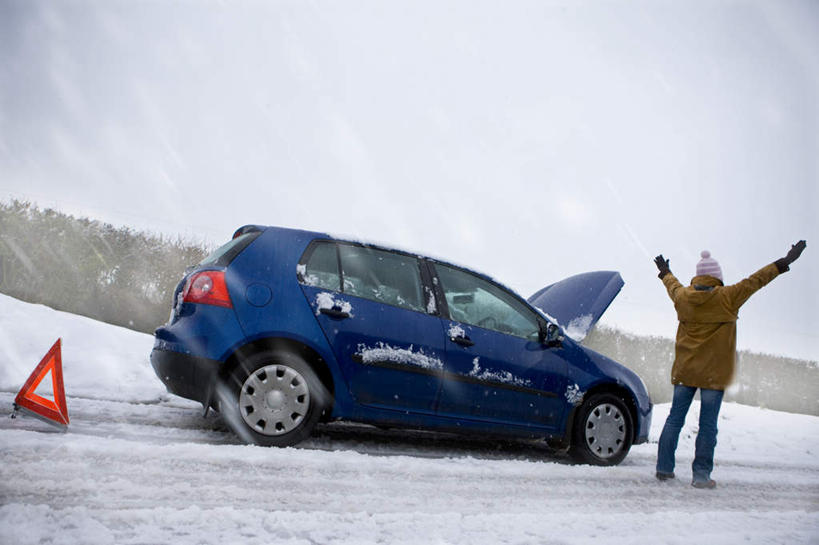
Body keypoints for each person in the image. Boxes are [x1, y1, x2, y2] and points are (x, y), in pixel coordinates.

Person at [653, 240, 807, 489]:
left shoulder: (683, 297)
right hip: (714, 375)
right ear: (717, 278)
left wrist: (664, 272)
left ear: (698, 277)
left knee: (674, 420)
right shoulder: (728, 297)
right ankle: (701, 476)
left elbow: (673, 286)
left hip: (685, 371)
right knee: (707, 426)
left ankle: (663, 468)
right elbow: (757, 280)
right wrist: (785, 262)